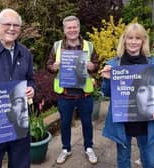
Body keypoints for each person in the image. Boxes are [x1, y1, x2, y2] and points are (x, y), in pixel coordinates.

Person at [100, 23, 154, 168]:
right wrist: (108, 79)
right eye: (130, 38)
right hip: (123, 122)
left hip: (147, 121)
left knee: (151, 162)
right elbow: (107, 93)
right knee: (123, 160)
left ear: (143, 41)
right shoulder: (114, 63)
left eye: (137, 38)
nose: (133, 42)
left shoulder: (153, 63)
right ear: (124, 40)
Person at [47, 15, 99, 164]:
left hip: (84, 93)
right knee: (64, 123)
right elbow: (49, 65)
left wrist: (92, 66)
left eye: (74, 26)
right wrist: (53, 67)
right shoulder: (57, 46)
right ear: (64, 30)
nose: (72, 30)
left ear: (79, 27)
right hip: (65, 93)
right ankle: (66, 149)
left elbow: (97, 64)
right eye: (69, 27)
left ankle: (89, 148)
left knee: (87, 123)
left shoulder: (89, 45)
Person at [0, 8, 35, 168]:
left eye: (16, 25)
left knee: (21, 164)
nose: (12, 28)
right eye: (7, 24)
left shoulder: (25, 53)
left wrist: (32, 89)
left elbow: (30, 79)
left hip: (18, 122)